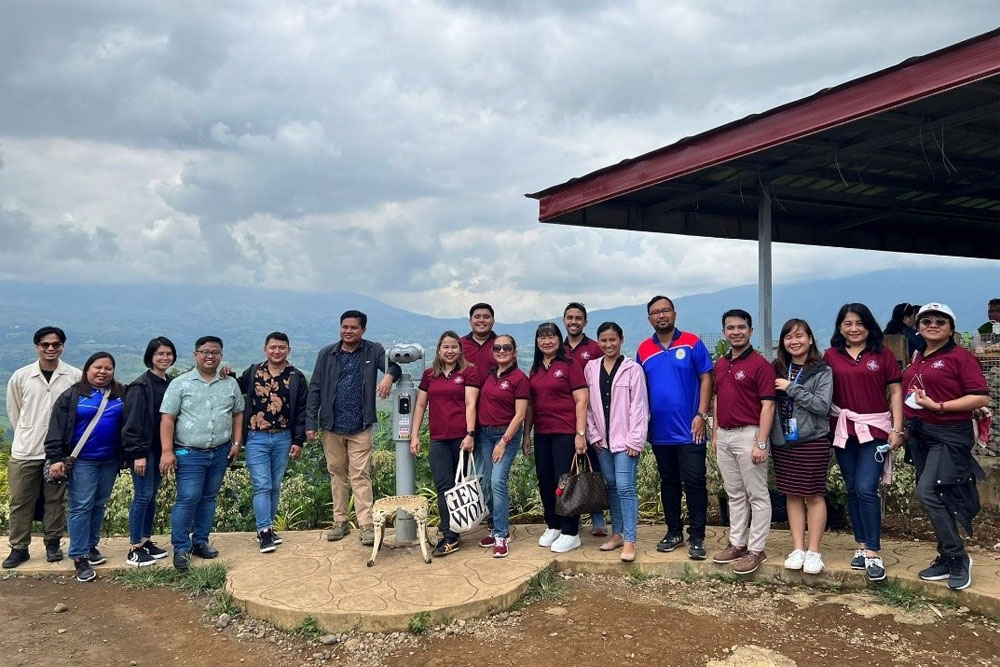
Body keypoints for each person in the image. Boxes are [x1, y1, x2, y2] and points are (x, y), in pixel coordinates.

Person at [905, 302, 990, 591]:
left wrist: (940, 406)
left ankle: (957, 557)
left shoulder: (960, 357)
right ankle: (945, 555)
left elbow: (980, 397)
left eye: (940, 321)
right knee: (937, 492)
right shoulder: (919, 356)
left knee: (928, 491)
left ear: (951, 328)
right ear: (918, 326)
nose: (933, 325)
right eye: (926, 320)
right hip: (920, 434)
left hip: (949, 433)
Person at [306, 310, 401, 547]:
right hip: (331, 425)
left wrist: (389, 376)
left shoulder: (372, 350)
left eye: (354, 328)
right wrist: (311, 423)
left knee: (360, 475)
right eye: (345, 327)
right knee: (337, 474)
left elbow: (395, 367)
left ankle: (366, 525)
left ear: (363, 330)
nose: (348, 331)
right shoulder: (327, 353)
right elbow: (315, 388)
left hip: (360, 425)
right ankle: (340, 522)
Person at [824, 303, 904, 582]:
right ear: (840, 327)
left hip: (875, 429)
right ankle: (860, 545)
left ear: (869, 325)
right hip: (843, 430)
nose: (854, 328)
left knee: (866, 487)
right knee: (851, 489)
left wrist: (897, 428)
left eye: (859, 323)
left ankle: (873, 550)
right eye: (847, 323)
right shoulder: (831, 356)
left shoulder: (882, 355)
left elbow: (895, 391)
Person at [637, 295, 714, 560]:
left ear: (674, 314)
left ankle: (697, 536)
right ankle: (673, 532)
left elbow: (706, 377)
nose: (661, 316)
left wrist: (701, 414)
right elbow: (639, 391)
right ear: (649, 318)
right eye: (656, 312)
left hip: (691, 429)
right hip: (659, 431)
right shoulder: (644, 350)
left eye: (666, 310)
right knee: (668, 482)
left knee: (694, 481)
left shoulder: (692, 342)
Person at [159, 336, 244, 571]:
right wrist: (167, 451)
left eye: (215, 352)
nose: (210, 356)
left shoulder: (230, 383)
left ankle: (200, 542)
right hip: (189, 452)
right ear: (195, 354)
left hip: (220, 451)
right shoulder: (180, 383)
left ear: (221, 355)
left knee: (208, 498)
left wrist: (237, 442)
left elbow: (238, 413)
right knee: (188, 498)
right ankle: (180, 547)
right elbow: (167, 418)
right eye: (205, 352)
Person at [4, 326, 82, 569]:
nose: (50, 348)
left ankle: (52, 543)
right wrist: (28, 433)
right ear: (36, 347)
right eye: (45, 345)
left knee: (55, 500)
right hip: (26, 449)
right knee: (20, 500)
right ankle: (19, 548)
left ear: (63, 346)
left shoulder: (74, 376)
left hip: (58, 453)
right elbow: (14, 411)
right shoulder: (21, 376)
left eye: (56, 344)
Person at [44, 352, 126, 582]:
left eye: (108, 368)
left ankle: (91, 546)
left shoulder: (120, 394)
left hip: (110, 460)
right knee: (81, 506)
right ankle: (79, 557)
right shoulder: (73, 396)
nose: (102, 372)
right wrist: (55, 457)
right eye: (97, 367)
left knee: (99, 504)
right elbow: (56, 428)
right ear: (87, 369)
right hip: (82, 461)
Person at [711, 309, 777, 575]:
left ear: (751, 331)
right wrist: (715, 433)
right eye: (730, 327)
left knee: (757, 495)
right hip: (725, 435)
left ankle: (756, 549)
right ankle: (737, 543)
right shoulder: (720, 363)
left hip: (750, 434)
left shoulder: (761, 365)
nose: (735, 332)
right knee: (734, 494)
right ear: (724, 332)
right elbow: (718, 401)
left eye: (741, 327)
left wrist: (761, 442)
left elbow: (768, 406)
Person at [770, 319, 834, 575]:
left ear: (810, 339)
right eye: (789, 337)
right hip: (784, 441)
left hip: (813, 440)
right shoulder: (776, 367)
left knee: (814, 494)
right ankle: (797, 547)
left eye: (799, 336)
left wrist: (792, 388)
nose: (794, 342)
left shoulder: (821, 370)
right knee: (792, 494)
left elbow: (822, 406)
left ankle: (814, 550)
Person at [409, 332, 481, 556]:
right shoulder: (429, 375)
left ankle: (458, 528)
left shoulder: (469, 372)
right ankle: (450, 535)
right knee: (444, 487)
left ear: (460, 349)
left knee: (461, 486)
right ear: (438, 350)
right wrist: (415, 435)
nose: (450, 351)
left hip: (462, 439)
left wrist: (470, 434)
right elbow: (420, 406)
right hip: (438, 439)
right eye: (445, 347)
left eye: (454, 347)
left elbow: (471, 404)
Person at [236, 332, 308, 554]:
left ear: (289, 349)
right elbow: (236, 389)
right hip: (256, 436)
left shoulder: (296, 377)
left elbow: (302, 411)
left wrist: (298, 440)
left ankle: (267, 527)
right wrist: (226, 374)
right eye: (273, 347)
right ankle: (264, 530)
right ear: (265, 349)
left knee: (274, 485)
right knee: (262, 485)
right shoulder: (253, 372)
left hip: (283, 437)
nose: (277, 351)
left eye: (281, 347)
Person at [584, 322, 649, 562]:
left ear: (621, 340)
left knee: (625, 486)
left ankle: (630, 540)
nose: (608, 344)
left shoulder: (633, 369)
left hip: (626, 441)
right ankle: (617, 533)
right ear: (598, 341)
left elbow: (640, 406)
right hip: (602, 440)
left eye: (612, 340)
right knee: (611, 485)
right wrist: (593, 435)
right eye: (603, 340)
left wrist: (635, 439)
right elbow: (588, 406)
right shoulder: (591, 368)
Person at [525, 322, 589, 554]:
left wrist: (580, 434)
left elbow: (582, 399)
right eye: (542, 337)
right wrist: (526, 435)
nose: (546, 341)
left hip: (566, 432)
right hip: (542, 433)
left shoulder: (569, 365)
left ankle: (570, 531)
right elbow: (530, 406)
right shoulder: (535, 368)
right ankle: (553, 525)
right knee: (546, 480)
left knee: (565, 482)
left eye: (551, 336)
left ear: (558, 339)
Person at [121, 336, 177, 567]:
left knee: (151, 496)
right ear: (150, 357)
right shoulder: (140, 386)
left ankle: (145, 540)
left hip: (160, 450)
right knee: (143, 495)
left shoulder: (170, 383)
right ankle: (134, 547)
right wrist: (137, 454)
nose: (164, 358)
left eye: (168, 354)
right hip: (144, 451)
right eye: (159, 354)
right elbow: (131, 424)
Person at [475, 334, 529, 558]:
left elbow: (520, 415)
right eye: (498, 348)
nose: (502, 351)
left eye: (507, 347)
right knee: (487, 482)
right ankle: (497, 528)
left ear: (514, 352)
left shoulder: (519, 378)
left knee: (498, 481)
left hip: (505, 435)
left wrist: (504, 442)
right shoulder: (490, 375)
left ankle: (501, 534)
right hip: (485, 435)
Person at [563, 301, 608, 537]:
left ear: (585, 322)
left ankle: (598, 516)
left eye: (578, 318)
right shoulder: (558, 350)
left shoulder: (594, 348)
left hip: (592, 417)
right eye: (570, 318)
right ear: (564, 321)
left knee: (593, 467)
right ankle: (573, 514)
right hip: (564, 418)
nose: (573, 322)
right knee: (569, 470)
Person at [461, 303, 499, 373]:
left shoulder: (503, 346)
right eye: (477, 317)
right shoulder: (459, 344)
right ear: (470, 321)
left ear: (493, 321)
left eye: (486, 317)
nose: (481, 320)